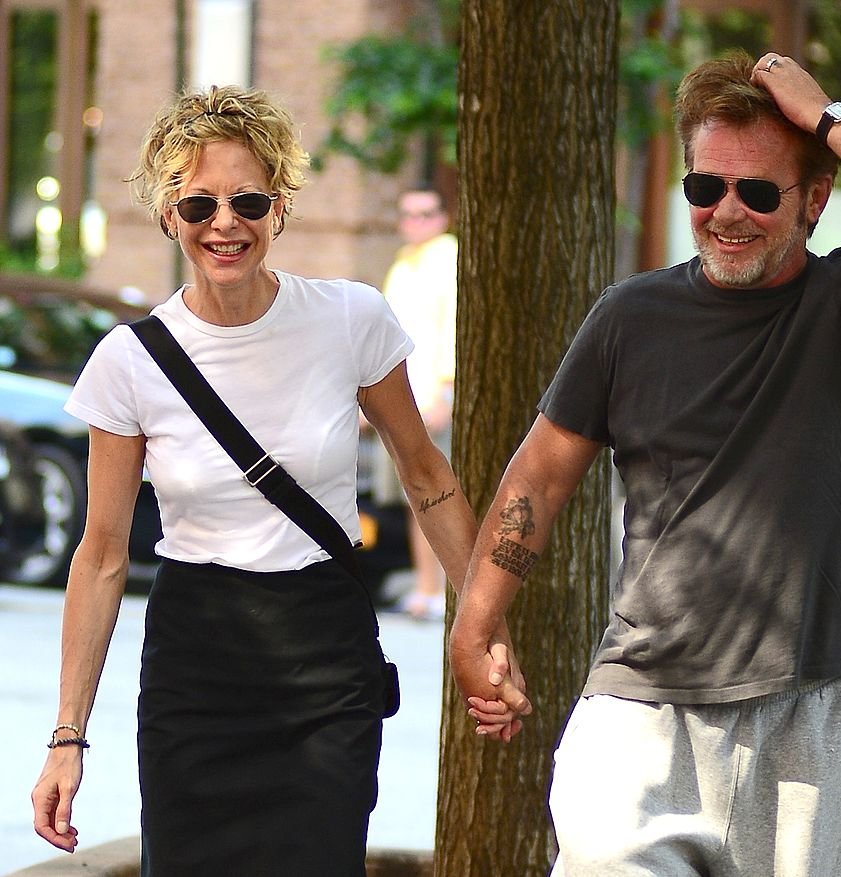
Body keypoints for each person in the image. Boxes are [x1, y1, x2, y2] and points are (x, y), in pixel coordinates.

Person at [449, 50, 841, 876]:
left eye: (760, 192)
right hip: (640, 706)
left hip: (807, 710)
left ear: (814, 200)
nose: (727, 212)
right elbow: (540, 475)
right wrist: (477, 620)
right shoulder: (628, 317)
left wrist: (824, 115)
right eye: (705, 187)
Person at [29, 85, 498, 876]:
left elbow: (427, 478)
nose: (225, 223)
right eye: (198, 204)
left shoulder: (351, 320)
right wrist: (67, 736)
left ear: (279, 207)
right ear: (168, 213)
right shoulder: (130, 360)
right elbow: (102, 555)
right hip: (195, 665)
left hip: (325, 658)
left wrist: (482, 626)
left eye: (248, 200)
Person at [373, 186, 458, 620]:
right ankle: (427, 587)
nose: (417, 223)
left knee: (439, 493)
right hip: (407, 397)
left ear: (443, 218)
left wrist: (446, 390)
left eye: (426, 213)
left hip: (435, 397)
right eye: (409, 215)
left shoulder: (448, 258)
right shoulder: (403, 264)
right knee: (416, 496)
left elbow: (453, 329)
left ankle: (446, 589)